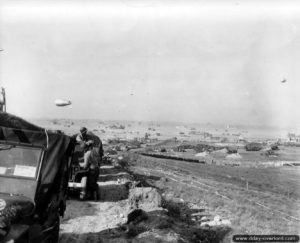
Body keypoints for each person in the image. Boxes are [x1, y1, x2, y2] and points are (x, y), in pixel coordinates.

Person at [77, 127, 103, 200]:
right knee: (93, 183)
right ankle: (96, 194)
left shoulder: (87, 154)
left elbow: (85, 166)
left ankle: (84, 195)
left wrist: (79, 164)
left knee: (87, 180)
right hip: (96, 170)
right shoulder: (95, 152)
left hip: (91, 170)